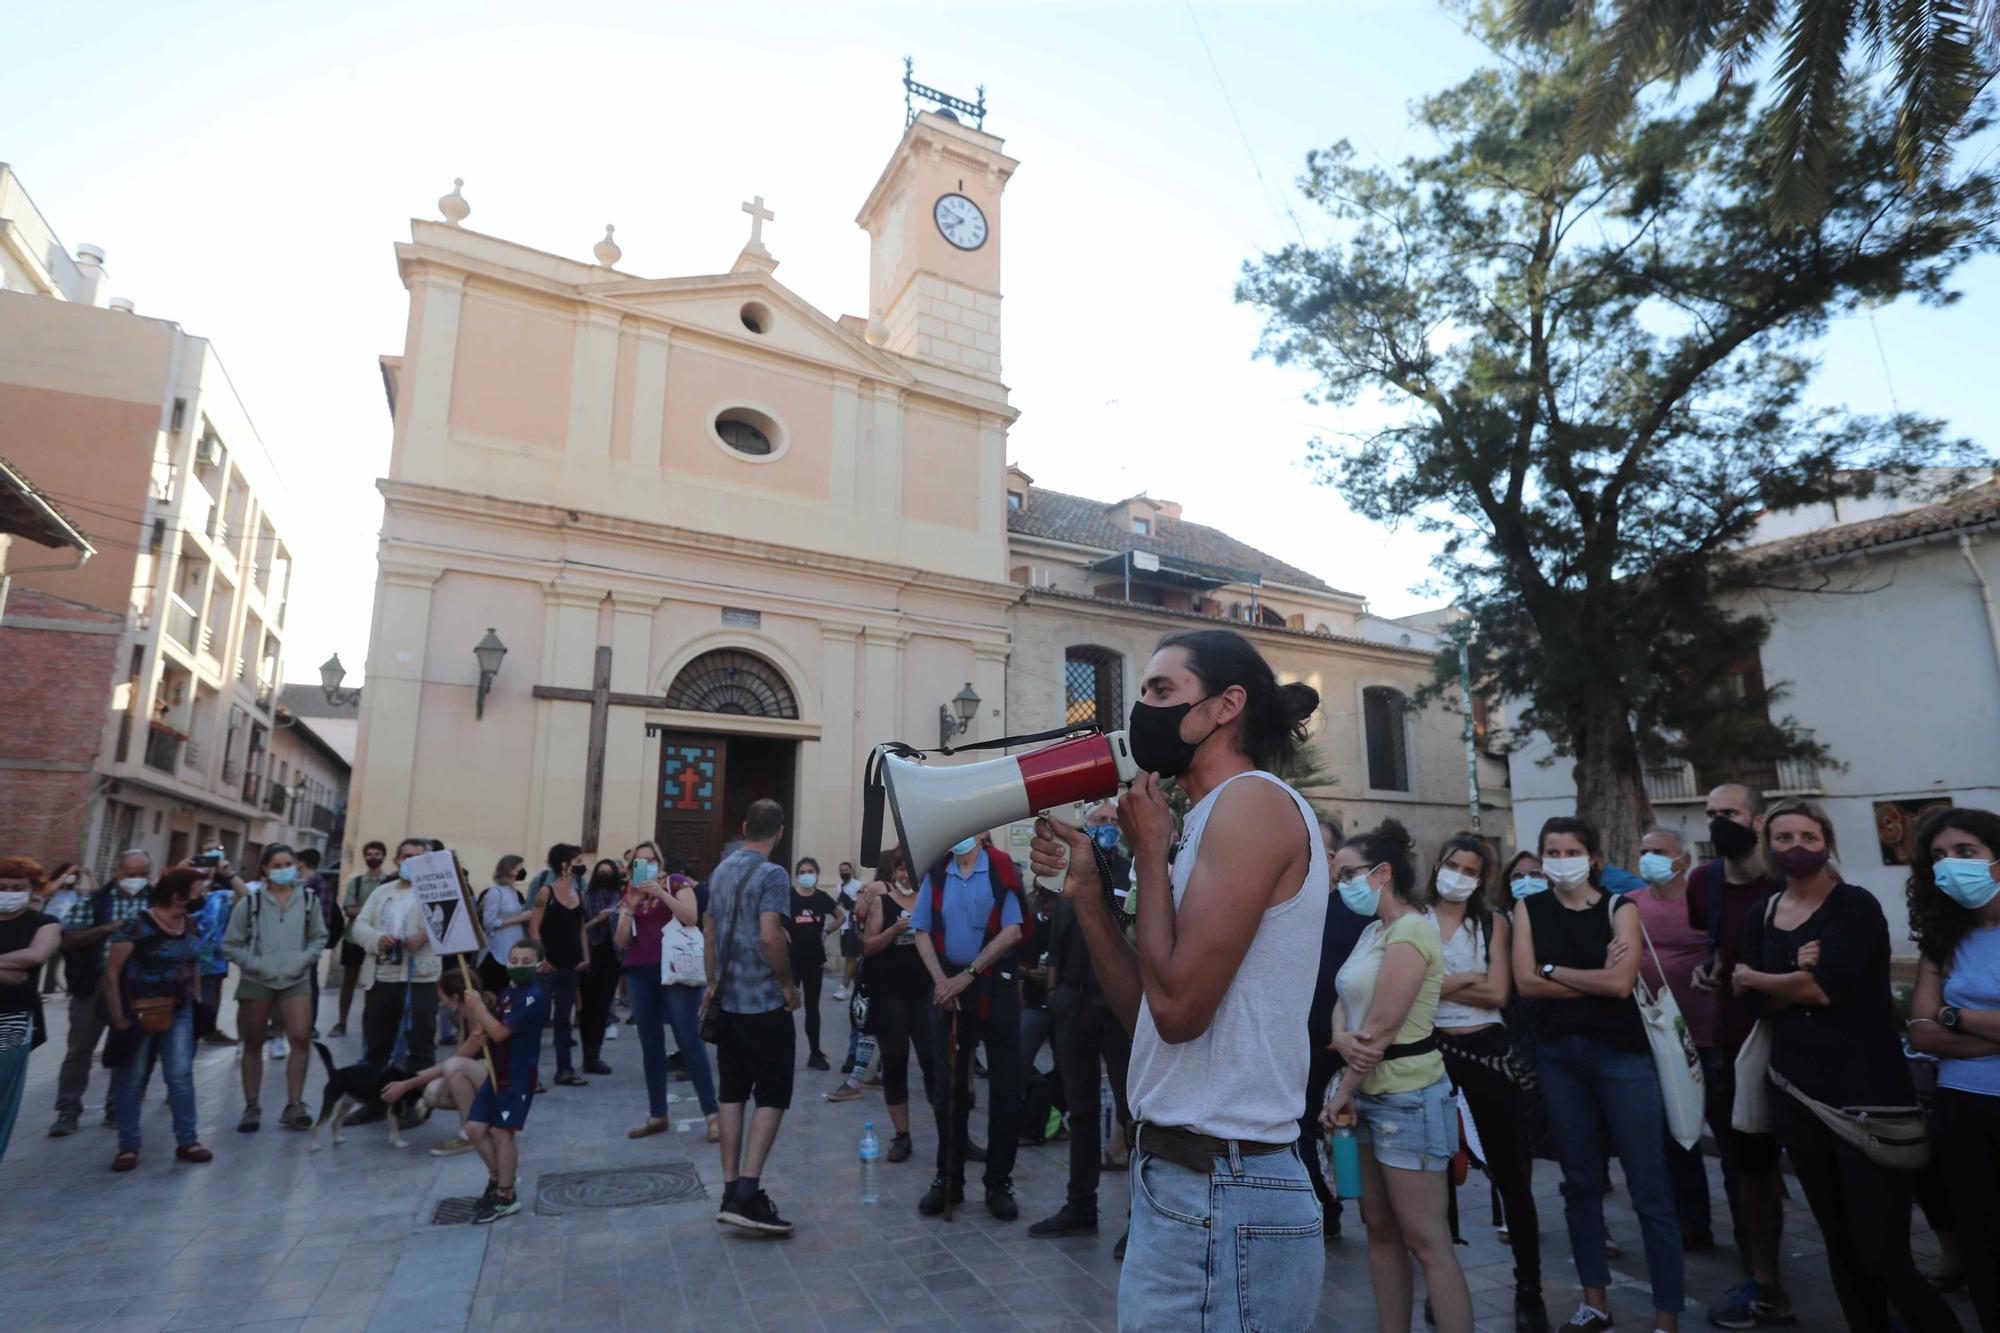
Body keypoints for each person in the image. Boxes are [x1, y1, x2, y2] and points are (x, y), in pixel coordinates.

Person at [1029, 627, 1328, 1329]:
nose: (1145, 710)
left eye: (1163, 691)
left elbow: (1180, 1009)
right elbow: (1151, 1019)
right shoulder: (1202, 820)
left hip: (1227, 1187)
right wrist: (1089, 898)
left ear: (1226, 705)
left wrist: (1152, 852)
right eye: (1144, 693)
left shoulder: (1252, 803)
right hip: (1186, 1180)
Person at [1733, 799, 1959, 1333]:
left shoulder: (1854, 907)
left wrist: (1768, 978)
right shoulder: (1761, 913)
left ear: (1827, 842)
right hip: (1797, 1094)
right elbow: (1747, 1000)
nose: (1796, 848)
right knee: (1841, 1246)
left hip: (1867, 1098)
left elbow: (1818, 988)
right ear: (1769, 848)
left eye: (1807, 837)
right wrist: (1788, 981)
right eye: (1783, 838)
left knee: (1882, 1252)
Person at [1511, 816, 1682, 1333]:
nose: (1560, 861)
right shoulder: (1529, 908)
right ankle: (1595, 1303)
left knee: (1649, 1186)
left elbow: (1621, 984)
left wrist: (1552, 970)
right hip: (1559, 1058)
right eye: (1552, 852)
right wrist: (1584, 978)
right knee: (1579, 1182)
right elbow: (1524, 983)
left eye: (1570, 851)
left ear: (1594, 858)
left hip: (1621, 1058)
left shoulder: (1619, 907)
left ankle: (1667, 1316)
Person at [1321, 820, 1474, 1333]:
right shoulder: (1374, 931)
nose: (1340, 883)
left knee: (1428, 1243)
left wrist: (1340, 1090)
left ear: (1382, 873)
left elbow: (1383, 1028)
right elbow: (1346, 1000)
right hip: (1365, 1092)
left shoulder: (1411, 929)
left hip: (1407, 1096)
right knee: (1379, 1232)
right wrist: (1342, 1036)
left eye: (1347, 874)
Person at [1425, 834, 1545, 1332]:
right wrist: (1460, 983)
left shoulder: (1495, 922)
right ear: (1438, 863)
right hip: (1431, 1052)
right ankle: (1441, 1284)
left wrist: (1435, 984)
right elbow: (1405, 992)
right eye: (1453, 864)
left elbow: (1498, 989)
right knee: (1436, 1174)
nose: (1459, 875)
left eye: (1470, 870)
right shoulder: (1414, 920)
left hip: (1488, 1052)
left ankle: (1529, 1289)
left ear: (1482, 878)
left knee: (1511, 1173)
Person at [1685, 783, 1794, 1330]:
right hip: (1732, 1041)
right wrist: (1710, 971)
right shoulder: (1704, 882)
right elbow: (1717, 949)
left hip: (1800, 1037)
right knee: (1745, 1167)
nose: (1717, 822)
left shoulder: (1791, 878)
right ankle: (1764, 1278)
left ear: (1756, 820)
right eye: (1711, 814)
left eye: (1728, 813)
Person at [1907, 806, 2000, 1333]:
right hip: (1961, 1109)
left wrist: (1955, 1016)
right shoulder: (1942, 939)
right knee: (1983, 1247)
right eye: (1939, 857)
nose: (1950, 866)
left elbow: (1936, 1021)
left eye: (1966, 853)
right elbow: (1920, 1034)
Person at [1029, 803, 1137, 1244]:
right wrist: (1055, 994)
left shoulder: (1132, 874)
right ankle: (1080, 1205)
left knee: (1133, 1114)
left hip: (1119, 1005)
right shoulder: (1069, 872)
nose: (1108, 828)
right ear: (1084, 829)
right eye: (1099, 822)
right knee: (1081, 1107)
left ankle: (1141, 1218)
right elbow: (1057, 937)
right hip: (1073, 1002)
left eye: (1114, 822)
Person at [912, 829, 1031, 1222]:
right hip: (949, 990)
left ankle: (999, 1184)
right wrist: (941, 982)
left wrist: (969, 973)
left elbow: (1013, 930)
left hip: (994, 988)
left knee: (1005, 1089)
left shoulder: (1001, 869)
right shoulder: (938, 871)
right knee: (948, 1091)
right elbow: (922, 930)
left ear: (980, 833)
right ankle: (948, 1180)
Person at [702, 799, 800, 1235]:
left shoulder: (720, 870)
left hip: (727, 1001)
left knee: (731, 1093)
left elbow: (707, 934)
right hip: (762, 1002)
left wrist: (711, 983)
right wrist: (786, 984)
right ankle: (748, 1190)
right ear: (779, 832)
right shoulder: (774, 874)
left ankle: (727, 1189)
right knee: (773, 1094)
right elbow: (769, 934)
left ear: (744, 827)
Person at [1629, 827, 1724, 1251]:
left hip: (1708, 1035)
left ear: (1683, 861)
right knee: (1676, 1137)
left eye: (1659, 852)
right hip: (1657, 1038)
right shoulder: (1631, 904)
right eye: (1644, 851)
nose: (1649, 858)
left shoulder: (1704, 902)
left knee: (1726, 1131)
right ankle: (1691, 1224)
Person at [102, 868, 213, 1171]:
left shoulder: (188, 924)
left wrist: (198, 1001)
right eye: (197, 890)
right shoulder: (136, 924)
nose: (202, 895)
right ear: (177, 895)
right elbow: (112, 972)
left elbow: (194, 966)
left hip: (180, 1010)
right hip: (138, 1012)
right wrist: (118, 1016)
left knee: (180, 1074)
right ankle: (128, 1145)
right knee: (133, 1078)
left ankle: (188, 1139)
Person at [830, 850, 938, 1157]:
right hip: (890, 997)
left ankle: (945, 1126)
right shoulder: (882, 901)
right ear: (893, 872)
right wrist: (894, 930)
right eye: (901, 870)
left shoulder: (927, 899)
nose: (905, 876)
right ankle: (901, 1135)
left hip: (923, 995)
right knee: (895, 1062)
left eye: (910, 870)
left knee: (932, 1061)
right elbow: (867, 947)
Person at [49, 849, 156, 1136]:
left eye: (143, 874)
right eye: (131, 874)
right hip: (94, 985)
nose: (137, 880)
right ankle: (68, 1109)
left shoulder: (156, 901)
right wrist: (107, 929)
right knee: (80, 1049)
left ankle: (116, 1108)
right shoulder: (95, 901)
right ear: (117, 873)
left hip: (135, 986)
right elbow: (68, 939)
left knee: (126, 1049)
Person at [618, 850, 720, 1142]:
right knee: (651, 1045)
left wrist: (660, 894)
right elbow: (621, 940)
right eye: (640, 861)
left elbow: (690, 917)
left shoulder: (676, 884)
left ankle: (712, 1116)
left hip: (676, 973)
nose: (647, 865)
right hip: (640, 972)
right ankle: (657, 1114)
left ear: (660, 863)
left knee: (688, 1040)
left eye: (651, 860)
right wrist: (631, 906)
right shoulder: (630, 892)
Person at [1302, 812, 1371, 1243]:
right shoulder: (1294, 905)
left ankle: (1354, 1206)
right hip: (1302, 1037)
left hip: (1351, 1041)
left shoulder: (1356, 911)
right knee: (1305, 1123)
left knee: (1344, 1126)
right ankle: (1322, 1209)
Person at [224, 844, 325, 1132]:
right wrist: (255, 964)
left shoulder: (308, 900)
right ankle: (252, 1105)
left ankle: (295, 1104)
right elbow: (230, 944)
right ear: (265, 869)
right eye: (277, 865)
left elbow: (319, 937)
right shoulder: (250, 903)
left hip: (296, 979)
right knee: (254, 1043)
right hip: (257, 980)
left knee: (300, 1039)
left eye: (288, 864)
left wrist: (303, 961)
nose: (283, 870)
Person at [345, 838, 439, 1125]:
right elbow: (359, 924)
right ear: (397, 861)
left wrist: (425, 935)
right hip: (382, 976)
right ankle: (374, 1103)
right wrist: (377, 940)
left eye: (418, 858)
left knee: (419, 1044)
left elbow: (454, 925)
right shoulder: (382, 891)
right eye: (406, 856)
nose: (411, 862)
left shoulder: (437, 892)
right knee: (377, 1042)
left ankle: (418, 1104)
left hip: (420, 977)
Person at [458, 938, 550, 1223]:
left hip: (516, 1075)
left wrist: (478, 1007)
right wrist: (477, 1016)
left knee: (501, 1133)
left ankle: (506, 1194)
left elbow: (500, 1033)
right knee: (474, 1128)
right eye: (514, 961)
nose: (518, 966)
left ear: (539, 965)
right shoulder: (507, 993)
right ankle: (497, 1177)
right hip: (496, 1071)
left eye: (526, 962)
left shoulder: (533, 996)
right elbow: (489, 1031)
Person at [382, 970, 493, 1156]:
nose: (440, 1001)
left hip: (505, 1078)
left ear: (455, 997)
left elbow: (454, 1062)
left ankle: (470, 1134)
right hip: (484, 1075)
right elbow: (456, 1056)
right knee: (433, 1093)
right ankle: (484, 1121)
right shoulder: (465, 1016)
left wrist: (406, 1084)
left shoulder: (481, 1016)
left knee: (454, 1068)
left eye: (442, 995)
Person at [0, 856, 62, 1163]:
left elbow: (36, 956)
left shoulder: (44, 924)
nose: (10, 892)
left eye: (18, 887)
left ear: (32, 889)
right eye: (3, 887)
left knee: (1, 1100)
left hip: (10, 1022)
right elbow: (17, 968)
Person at [529, 844, 590, 1087]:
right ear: (564, 863)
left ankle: (564, 1070)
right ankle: (529, 1075)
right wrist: (541, 958)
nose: (581, 864)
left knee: (564, 1020)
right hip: (548, 965)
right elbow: (534, 927)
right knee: (537, 1019)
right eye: (577, 860)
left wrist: (586, 956)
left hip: (571, 965)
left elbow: (581, 928)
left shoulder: (579, 893)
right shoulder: (545, 892)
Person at [785, 856, 840, 1072]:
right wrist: (782, 931)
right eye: (803, 871)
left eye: (810, 871)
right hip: (791, 961)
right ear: (797, 875)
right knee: (786, 1005)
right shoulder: (788, 896)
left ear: (816, 874)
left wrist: (827, 930)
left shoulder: (822, 898)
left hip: (814, 960)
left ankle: (815, 1053)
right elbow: (775, 919)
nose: (806, 875)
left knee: (812, 1008)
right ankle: (783, 1053)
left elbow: (840, 916)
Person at [578, 858, 624, 1076]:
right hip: (590, 955)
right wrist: (598, 918)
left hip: (612, 957)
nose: (605, 874)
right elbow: (580, 929)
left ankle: (595, 1055)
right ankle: (587, 1055)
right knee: (587, 1008)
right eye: (601, 871)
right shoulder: (585, 899)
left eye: (609, 871)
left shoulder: (621, 899)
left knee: (603, 1006)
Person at [190, 869, 237, 1047]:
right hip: (184, 960)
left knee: (209, 996)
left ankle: (207, 1029)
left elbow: (245, 895)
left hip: (212, 960)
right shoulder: (180, 896)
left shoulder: (220, 896)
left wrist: (229, 874)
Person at [478, 856, 531, 996]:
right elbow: (488, 923)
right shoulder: (495, 892)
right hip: (497, 950)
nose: (522, 870)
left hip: (513, 947)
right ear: (509, 870)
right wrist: (518, 918)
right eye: (519, 867)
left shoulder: (513, 892)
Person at [36, 862, 80, 995]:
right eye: (69, 874)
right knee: (41, 958)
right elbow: (49, 890)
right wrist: (66, 874)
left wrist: (89, 875)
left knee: (62, 959)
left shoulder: (74, 892)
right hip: (48, 928)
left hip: (66, 929)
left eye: (74, 875)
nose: (71, 877)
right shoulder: (51, 888)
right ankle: (37, 987)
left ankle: (50, 989)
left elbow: (94, 891)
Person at [833, 859, 862, 1002]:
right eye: (842, 870)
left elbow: (861, 906)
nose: (844, 872)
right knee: (850, 959)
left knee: (851, 958)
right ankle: (860, 989)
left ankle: (843, 988)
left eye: (846, 870)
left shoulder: (858, 885)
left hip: (854, 925)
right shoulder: (838, 886)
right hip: (843, 927)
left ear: (851, 871)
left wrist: (850, 902)